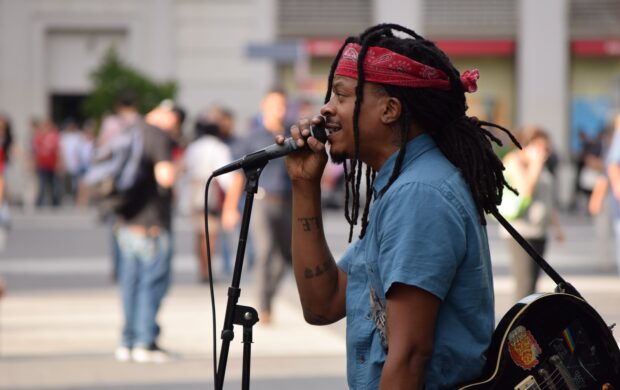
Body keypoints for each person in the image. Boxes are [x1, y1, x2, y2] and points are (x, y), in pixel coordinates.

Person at [279, 24, 517, 388]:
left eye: (341, 96)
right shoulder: (404, 185)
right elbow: (322, 304)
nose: (326, 109)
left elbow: (409, 358)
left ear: (390, 110)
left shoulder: (419, 193)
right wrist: (304, 185)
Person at [112, 95, 176, 363]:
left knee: (130, 284)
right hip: (152, 224)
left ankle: (126, 341)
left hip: (125, 222)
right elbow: (165, 176)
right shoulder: (157, 135)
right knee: (151, 284)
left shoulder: (127, 132)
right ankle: (144, 342)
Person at [233, 88, 292, 325]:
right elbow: (240, 175)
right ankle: (264, 305)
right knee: (265, 251)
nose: (279, 110)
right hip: (262, 200)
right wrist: (230, 207)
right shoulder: (253, 137)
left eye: (283, 105)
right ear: (264, 107)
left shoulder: (292, 135)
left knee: (285, 256)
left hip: (288, 201)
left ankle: (269, 295)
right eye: (274, 105)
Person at [500, 126, 565, 300]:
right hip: (521, 230)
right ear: (527, 145)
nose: (544, 153)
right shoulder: (514, 161)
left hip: (540, 230)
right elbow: (525, 190)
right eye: (540, 148)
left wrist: (557, 227)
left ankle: (529, 325)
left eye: (547, 149)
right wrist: (535, 164)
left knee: (534, 283)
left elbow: (547, 200)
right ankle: (518, 325)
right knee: (525, 284)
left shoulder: (542, 166)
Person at [181, 112, 239, 282]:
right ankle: (207, 270)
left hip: (194, 191)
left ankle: (202, 267)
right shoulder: (219, 148)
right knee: (211, 234)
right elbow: (226, 177)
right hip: (210, 192)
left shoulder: (193, 147)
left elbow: (186, 170)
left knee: (199, 234)